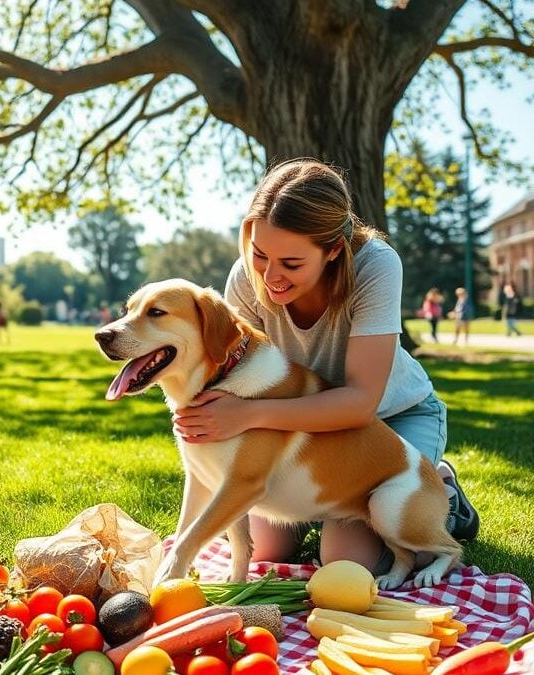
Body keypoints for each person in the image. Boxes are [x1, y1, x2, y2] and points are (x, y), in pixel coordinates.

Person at [172, 158, 479, 577]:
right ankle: (325, 506)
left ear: (333, 249)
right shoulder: (247, 278)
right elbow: (232, 375)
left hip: (389, 421)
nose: (271, 276)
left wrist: (247, 414)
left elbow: (358, 405)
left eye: (292, 264)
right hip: (299, 427)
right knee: (267, 550)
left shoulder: (376, 266)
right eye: (261, 255)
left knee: (345, 562)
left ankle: (436, 489)